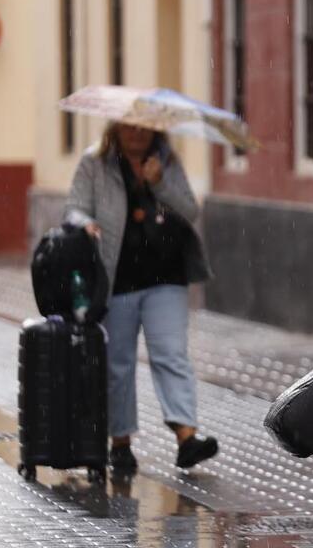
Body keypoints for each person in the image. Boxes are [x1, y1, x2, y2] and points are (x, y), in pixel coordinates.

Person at [65, 122, 219, 473]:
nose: (137, 135)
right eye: (129, 128)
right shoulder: (95, 163)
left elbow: (190, 210)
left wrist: (159, 182)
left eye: (144, 129)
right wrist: (84, 224)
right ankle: (120, 442)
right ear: (115, 130)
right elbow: (73, 207)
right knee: (118, 362)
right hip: (115, 277)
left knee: (171, 354)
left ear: (155, 131)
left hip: (166, 276)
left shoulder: (166, 162)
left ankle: (186, 436)